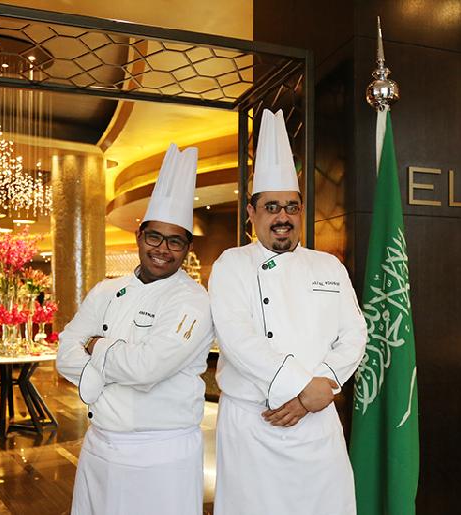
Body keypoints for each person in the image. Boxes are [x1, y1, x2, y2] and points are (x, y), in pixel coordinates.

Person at [209, 109, 368, 515]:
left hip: (317, 420)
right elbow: (238, 339)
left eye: (292, 207)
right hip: (253, 425)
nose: (283, 217)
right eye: (272, 207)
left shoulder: (328, 266)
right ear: (251, 212)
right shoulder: (231, 264)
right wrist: (301, 387)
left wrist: (321, 387)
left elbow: (354, 334)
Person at [56, 143, 214, 515]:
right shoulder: (105, 290)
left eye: (176, 241)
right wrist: (117, 362)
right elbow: (64, 355)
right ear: (139, 236)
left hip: (163, 454)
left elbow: (147, 369)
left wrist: (95, 346)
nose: (163, 249)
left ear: (187, 247)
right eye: (155, 237)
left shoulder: (193, 300)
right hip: (98, 446)